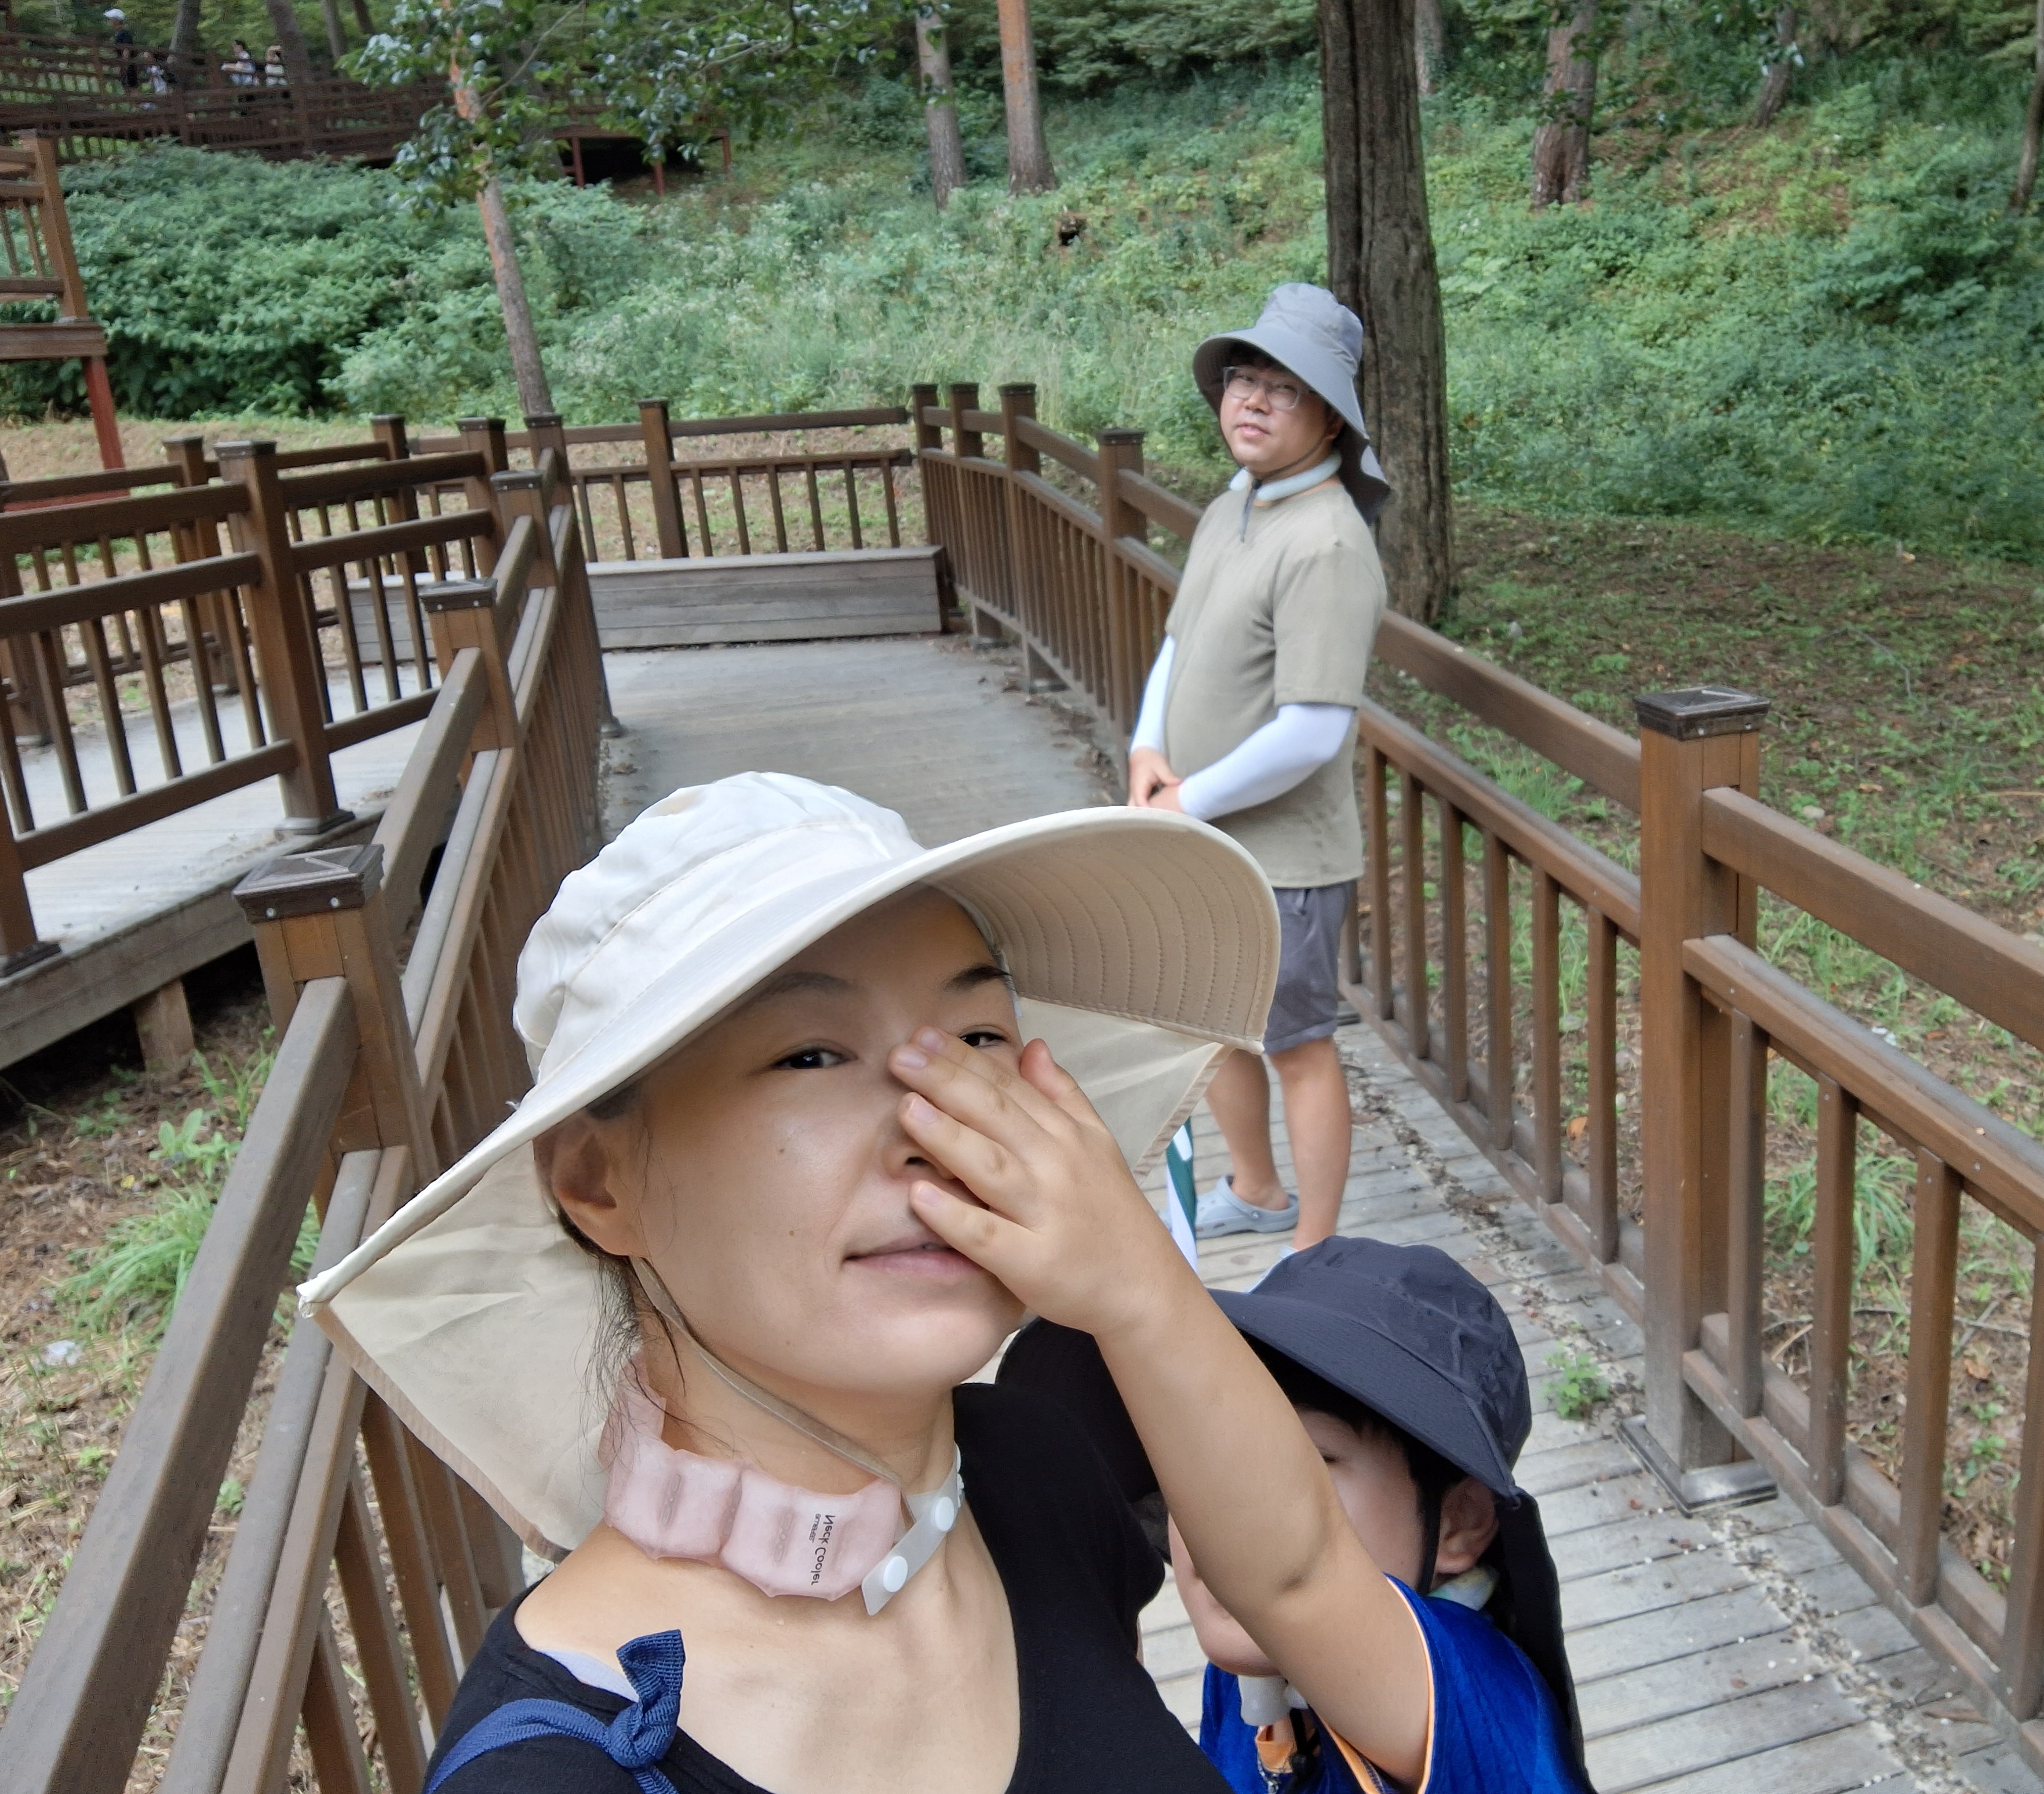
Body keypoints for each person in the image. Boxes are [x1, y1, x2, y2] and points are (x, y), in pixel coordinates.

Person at [299, 773, 1283, 1792]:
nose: (938, 1128)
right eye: (811, 1055)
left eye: (978, 1038)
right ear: (597, 1183)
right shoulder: (554, 1775)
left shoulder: (1037, 1471)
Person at [1000, 1241, 1595, 1793]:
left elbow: (1301, 1587)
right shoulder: (1249, 1664)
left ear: (1461, 1521)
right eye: (1195, 1462)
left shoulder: (1472, 1694)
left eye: (1302, 1467)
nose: (1224, 1511)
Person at [1127, 283, 1389, 1252]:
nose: (1253, 401)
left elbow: (1314, 730)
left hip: (1284, 861)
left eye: (1285, 388)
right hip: (1201, 831)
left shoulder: (1327, 542)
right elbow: (1179, 639)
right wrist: (1146, 748)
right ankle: (1256, 1186)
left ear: (1329, 419)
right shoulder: (1234, 504)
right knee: (1216, 1024)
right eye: (1244, 378)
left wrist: (1185, 801)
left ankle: (1313, 1251)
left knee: (1296, 1046)